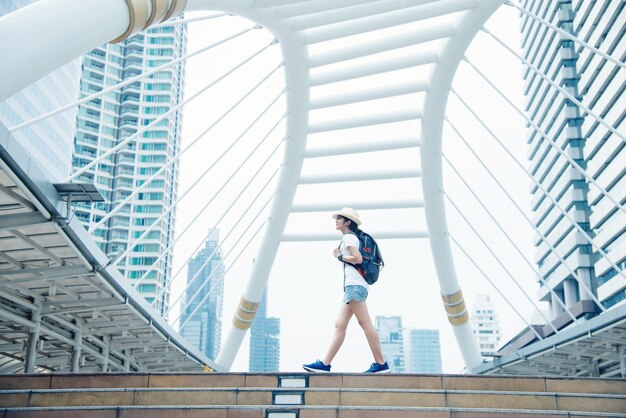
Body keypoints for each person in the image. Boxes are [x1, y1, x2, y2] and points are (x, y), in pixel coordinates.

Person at [303, 207, 390, 373]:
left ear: (348, 222)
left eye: (339, 219)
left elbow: (357, 259)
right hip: (354, 285)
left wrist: (339, 256)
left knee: (365, 323)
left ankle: (381, 364)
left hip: (354, 285)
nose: (336, 221)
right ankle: (325, 364)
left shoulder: (349, 237)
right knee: (340, 325)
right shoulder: (352, 237)